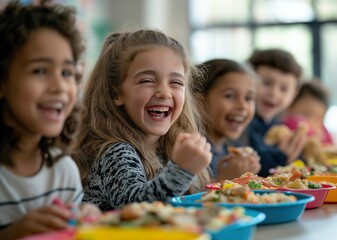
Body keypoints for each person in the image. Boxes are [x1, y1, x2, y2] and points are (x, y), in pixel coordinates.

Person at [73, 29, 212, 212]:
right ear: (117, 93)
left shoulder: (167, 147)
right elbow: (137, 208)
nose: (164, 92)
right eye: (147, 80)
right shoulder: (114, 151)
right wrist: (181, 171)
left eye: (176, 82)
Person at [0, 1, 100, 239]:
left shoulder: (63, 171)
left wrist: (87, 218)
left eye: (67, 73)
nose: (59, 87)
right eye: (40, 71)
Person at [243, 49, 307, 177]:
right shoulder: (242, 124)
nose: (274, 93)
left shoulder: (278, 126)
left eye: (284, 89)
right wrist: (283, 156)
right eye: (267, 83)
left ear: (294, 94)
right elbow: (255, 167)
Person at [196, 59, 261, 180]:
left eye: (248, 98)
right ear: (200, 102)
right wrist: (224, 180)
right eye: (230, 96)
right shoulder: (193, 154)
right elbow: (186, 198)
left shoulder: (233, 149)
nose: (242, 106)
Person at [282, 79, 333, 145]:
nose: (311, 122)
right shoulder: (287, 126)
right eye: (307, 114)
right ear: (290, 106)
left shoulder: (324, 132)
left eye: (318, 118)